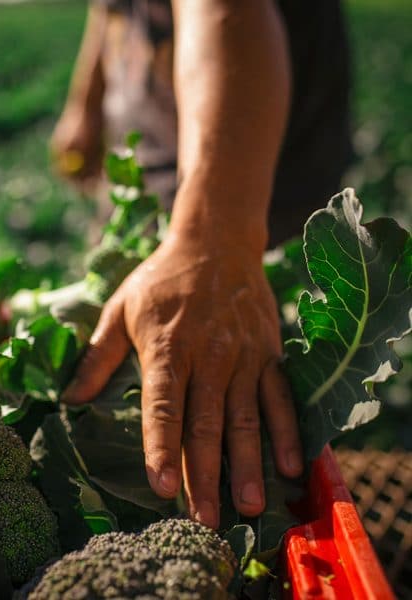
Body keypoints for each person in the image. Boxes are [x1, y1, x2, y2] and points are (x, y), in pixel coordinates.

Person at [51, 0, 352, 528]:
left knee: (239, 411)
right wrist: (89, 97)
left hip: (245, 173)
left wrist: (216, 244)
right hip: (153, 171)